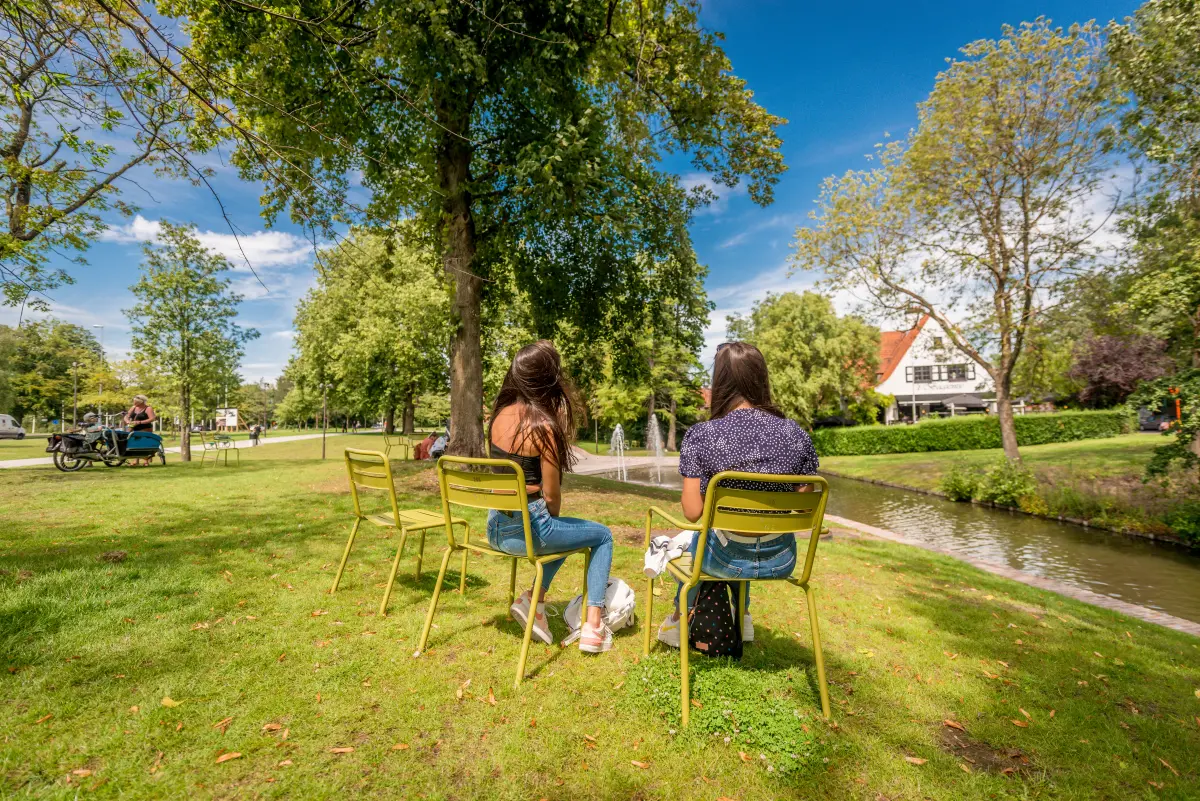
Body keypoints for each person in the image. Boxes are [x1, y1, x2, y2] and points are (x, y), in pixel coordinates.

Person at [657, 341, 820, 648]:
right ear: (761, 379)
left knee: (701, 536)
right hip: (782, 559)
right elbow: (802, 509)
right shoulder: (796, 434)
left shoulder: (701, 435)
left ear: (720, 381)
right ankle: (741, 614)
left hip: (722, 560)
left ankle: (680, 619)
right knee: (743, 530)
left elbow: (692, 512)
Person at [486, 340, 616, 653]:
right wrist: (551, 526)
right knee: (602, 537)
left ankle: (534, 601)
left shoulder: (498, 416)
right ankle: (594, 625)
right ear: (549, 379)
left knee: (565, 534)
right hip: (529, 532)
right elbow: (552, 498)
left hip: (494, 528)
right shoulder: (542, 427)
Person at [123, 395, 157, 466]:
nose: (134, 402)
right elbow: (126, 416)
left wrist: (139, 422)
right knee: (134, 444)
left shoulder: (148, 408)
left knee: (143, 443)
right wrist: (128, 421)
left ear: (141, 402)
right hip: (133, 429)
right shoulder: (133, 408)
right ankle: (136, 461)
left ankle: (146, 461)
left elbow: (152, 418)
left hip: (145, 428)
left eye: (135, 401)